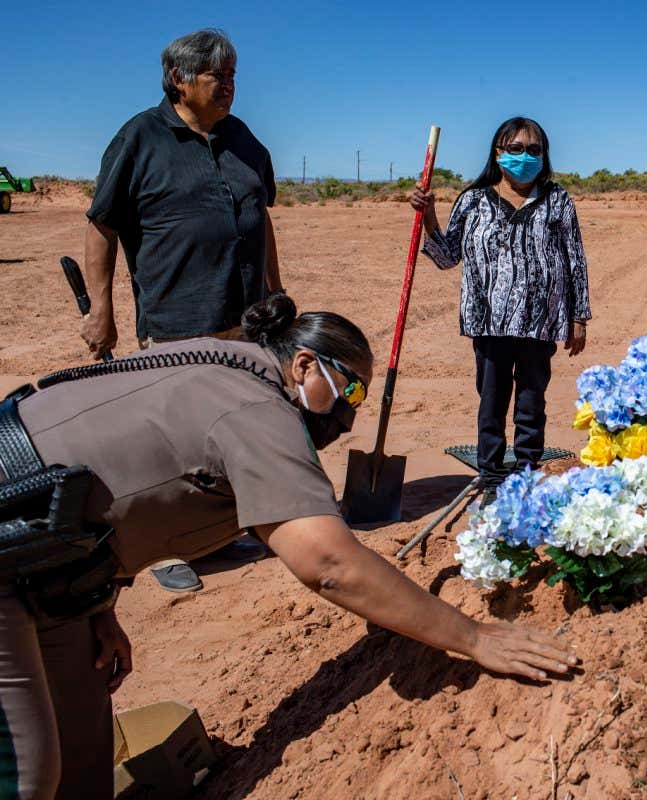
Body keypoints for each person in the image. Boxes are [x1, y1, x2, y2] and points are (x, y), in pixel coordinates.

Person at [0, 294, 577, 798]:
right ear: (303, 364)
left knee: (82, 750)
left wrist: (99, 604)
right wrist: (474, 637)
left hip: (48, 562)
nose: (350, 413)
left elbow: (118, 481)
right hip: (12, 553)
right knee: (26, 774)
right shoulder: (256, 409)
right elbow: (328, 564)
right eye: (348, 387)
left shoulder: (217, 360)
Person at [81, 28, 283, 592]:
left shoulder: (243, 139)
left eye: (234, 76)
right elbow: (102, 225)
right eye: (219, 76)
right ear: (180, 79)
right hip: (175, 321)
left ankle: (218, 531)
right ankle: (163, 548)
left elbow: (259, 217)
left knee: (229, 428)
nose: (230, 87)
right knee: (166, 439)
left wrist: (275, 290)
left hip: (244, 318)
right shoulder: (140, 138)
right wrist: (102, 310)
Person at [410, 117, 592, 504]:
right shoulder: (473, 199)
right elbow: (447, 257)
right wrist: (427, 217)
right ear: (498, 152)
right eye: (516, 149)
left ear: (544, 156)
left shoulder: (557, 200)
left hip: (539, 320)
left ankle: (527, 473)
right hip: (488, 320)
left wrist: (579, 317)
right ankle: (492, 475)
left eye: (534, 150)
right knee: (491, 399)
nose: (524, 156)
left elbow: (575, 259)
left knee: (531, 401)